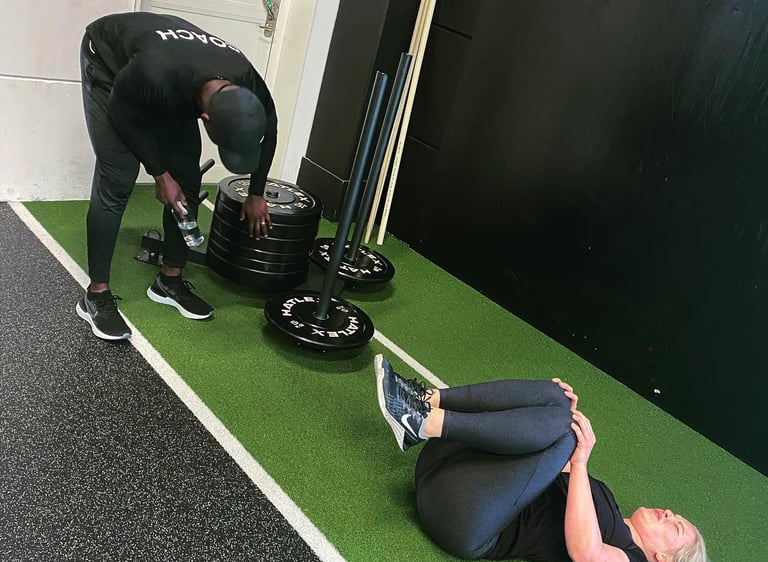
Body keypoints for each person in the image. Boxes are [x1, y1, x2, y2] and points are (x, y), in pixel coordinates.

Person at [374, 354, 708, 562]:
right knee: (558, 401)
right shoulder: (607, 503)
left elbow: (587, 555)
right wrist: (552, 413)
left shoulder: (631, 558)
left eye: (676, 525)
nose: (668, 513)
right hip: (443, 474)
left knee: (565, 432)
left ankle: (424, 423)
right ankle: (425, 402)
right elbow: (539, 462)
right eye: (674, 515)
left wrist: (579, 461)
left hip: (463, 521)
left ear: (664, 558)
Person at [76, 11, 277, 340]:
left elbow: (270, 128)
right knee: (118, 177)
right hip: (110, 68)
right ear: (206, 118)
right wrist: (159, 174)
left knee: (186, 175)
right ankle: (95, 295)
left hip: (174, 75)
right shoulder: (156, 72)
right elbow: (123, 115)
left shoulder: (245, 77)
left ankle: (169, 281)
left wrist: (257, 192)